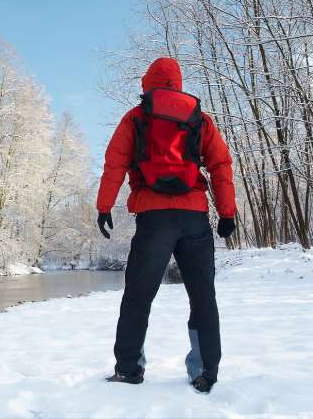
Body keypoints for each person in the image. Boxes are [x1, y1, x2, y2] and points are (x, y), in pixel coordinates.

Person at [95, 57, 236, 394]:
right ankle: (205, 371)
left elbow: (114, 163)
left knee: (138, 296)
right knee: (203, 296)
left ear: (148, 83)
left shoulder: (135, 117)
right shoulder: (199, 119)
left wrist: (104, 206)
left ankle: (129, 369)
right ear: (178, 82)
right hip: (194, 219)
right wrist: (227, 212)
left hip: (153, 218)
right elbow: (220, 164)